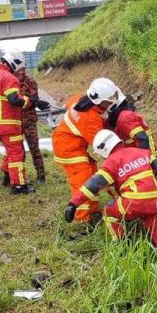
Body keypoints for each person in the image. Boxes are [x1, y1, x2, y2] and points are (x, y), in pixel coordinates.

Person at [66, 130, 157, 247]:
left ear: (102, 150)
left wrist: (73, 203)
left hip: (134, 202)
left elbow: (94, 184)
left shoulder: (112, 162)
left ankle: (122, 245)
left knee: (109, 212)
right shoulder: (143, 152)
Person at [52, 78, 118, 223]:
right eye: (109, 100)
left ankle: (92, 209)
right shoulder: (91, 120)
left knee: (92, 172)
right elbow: (101, 144)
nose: (111, 103)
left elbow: (69, 104)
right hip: (68, 150)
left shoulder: (79, 98)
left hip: (65, 142)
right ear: (99, 101)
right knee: (82, 181)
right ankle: (82, 219)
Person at [0, 49, 47, 195]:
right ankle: (19, 185)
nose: (20, 71)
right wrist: (35, 102)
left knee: (10, 150)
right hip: (8, 123)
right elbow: (14, 99)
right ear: (15, 63)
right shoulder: (9, 78)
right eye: (20, 67)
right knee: (16, 154)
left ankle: (7, 174)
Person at [104, 79, 157, 154]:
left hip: (143, 161)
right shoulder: (121, 116)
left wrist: (149, 160)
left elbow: (143, 139)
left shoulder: (125, 117)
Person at [16, 67, 45, 183]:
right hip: (16, 121)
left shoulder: (31, 82)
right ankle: (17, 176)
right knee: (17, 150)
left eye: (24, 69)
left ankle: (41, 174)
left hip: (29, 121)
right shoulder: (11, 82)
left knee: (34, 147)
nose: (22, 72)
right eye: (20, 69)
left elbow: (33, 99)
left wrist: (24, 101)